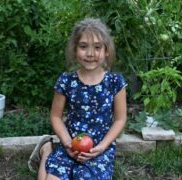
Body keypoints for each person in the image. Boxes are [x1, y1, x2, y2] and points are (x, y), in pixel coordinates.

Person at [28, 18, 127, 180]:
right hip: (70, 144)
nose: (90, 53)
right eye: (83, 46)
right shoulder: (66, 81)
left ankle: (49, 152)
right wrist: (67, 142)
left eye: (97, 47)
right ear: (75, 49)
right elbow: (55, 116)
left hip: (98, 149)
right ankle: (46, 150)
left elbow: (120, 120)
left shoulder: (115, 82)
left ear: (106, 50)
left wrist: (102, 147)